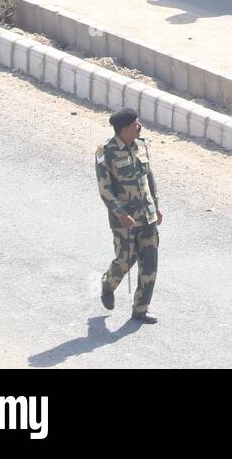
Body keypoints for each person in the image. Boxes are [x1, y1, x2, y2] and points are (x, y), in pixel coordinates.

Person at [95, 109, 162, 323]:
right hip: (124, 218)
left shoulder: (141, 145)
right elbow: (105, 189)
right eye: (135, 124)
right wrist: (120, 213)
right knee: (126, 259)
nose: (139, 126)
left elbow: (149, 177)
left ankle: (141, 308)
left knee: (150, 261)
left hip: (147, 214)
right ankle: (108, 284)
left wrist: (157, 206)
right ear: (124, 130)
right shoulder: (106, 152)